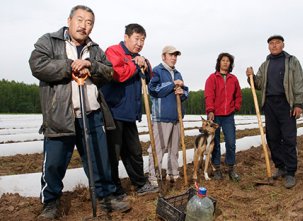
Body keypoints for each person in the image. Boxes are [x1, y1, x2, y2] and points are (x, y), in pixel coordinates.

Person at [29, 5, 130, 219]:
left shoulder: (94, 49)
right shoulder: (49, 41)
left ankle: (106, 196)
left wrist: (91, 65)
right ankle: (50, 202)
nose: (84, 26)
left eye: (89, 22)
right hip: (60, 115)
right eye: (80, 20)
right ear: (69, 20)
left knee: (99, 160)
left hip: (91, 115)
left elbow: (109, 71)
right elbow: (37, 65)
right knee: (54, 163)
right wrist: (70, 66)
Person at [101, 23, 158, 196]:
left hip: (130, 114)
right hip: (114, 112)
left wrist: (145, 63)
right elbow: (117, 75)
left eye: (142, 40)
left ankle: (140, 184)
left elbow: (149, 78)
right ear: (126, 37)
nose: (140, 43)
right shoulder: (113, 51)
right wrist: (135, 64)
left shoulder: (139, 57)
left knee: (134, 151)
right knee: (113, 152)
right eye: (137, 39)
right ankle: (113, 188)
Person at [246, 35, 303, 189]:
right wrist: (251, 77)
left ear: (283, 45)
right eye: (271, 43)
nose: (274, 46)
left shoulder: (292, 61)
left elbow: (299, 82)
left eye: (277, 43)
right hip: (270, 105)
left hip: (286, 104)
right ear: (268, 47)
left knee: (288, 138)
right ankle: (281, 167)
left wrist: (298, 104)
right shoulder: (265, 64)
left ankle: (290, 172)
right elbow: (258, 84)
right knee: (272, 138)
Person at [147, 46, 189, 186]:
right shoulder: (157, 71)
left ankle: (173, 174)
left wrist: (183, 92)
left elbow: (186, 91)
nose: (174, 58)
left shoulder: (178, 73)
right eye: (171, 55)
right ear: (163, 56)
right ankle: (154, 175)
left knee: (174, 149)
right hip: (161, 117)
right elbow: (153, 90)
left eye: (175, 55)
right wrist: (172, 85)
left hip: (176, 117)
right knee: (158, 148)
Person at [204, 52, 242, 182]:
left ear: (230, 64)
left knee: (231, 142)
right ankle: (217, 169)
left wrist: (236, 107)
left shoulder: (233, 79)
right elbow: (209, 95)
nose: (225, 62)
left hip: (228, 116)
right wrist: (210, 110)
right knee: (216, 143)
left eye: (228, 61)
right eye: (223, 60)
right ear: (219, 62)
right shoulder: (212, 78)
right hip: (215, 116)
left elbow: (238, 95)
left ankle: (231, 168)